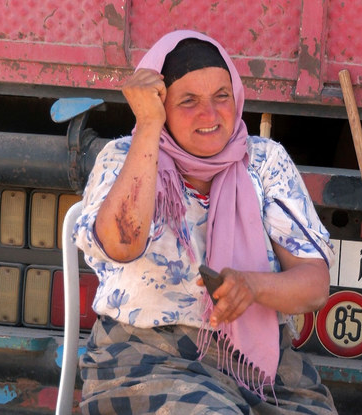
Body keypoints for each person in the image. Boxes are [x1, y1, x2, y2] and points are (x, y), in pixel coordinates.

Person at [74, 29, 337, 414]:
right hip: (143, 361)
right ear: (161, 108)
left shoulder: (264, 162)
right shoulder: (124, 158)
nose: (210, 115)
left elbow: (314, 286)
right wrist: (148, 126)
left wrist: (252, 286)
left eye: (221, 96)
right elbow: (122, 244)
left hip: (257, 368)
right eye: (188, 101)